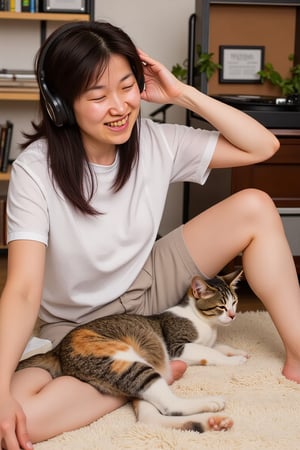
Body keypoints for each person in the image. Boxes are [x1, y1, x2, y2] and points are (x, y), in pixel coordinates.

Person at [0, 19, 299, 450]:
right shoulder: (35, 171)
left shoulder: (157, 140)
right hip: (79, 327)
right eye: (98, 96)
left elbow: (263, 147)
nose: (119, 106)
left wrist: (183, 94)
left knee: (255, 204)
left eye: (127, 87)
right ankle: (151, 368)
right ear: (61, 104)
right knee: (16, 415)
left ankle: (298, 356)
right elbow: (25, 289)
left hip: (149, 285)